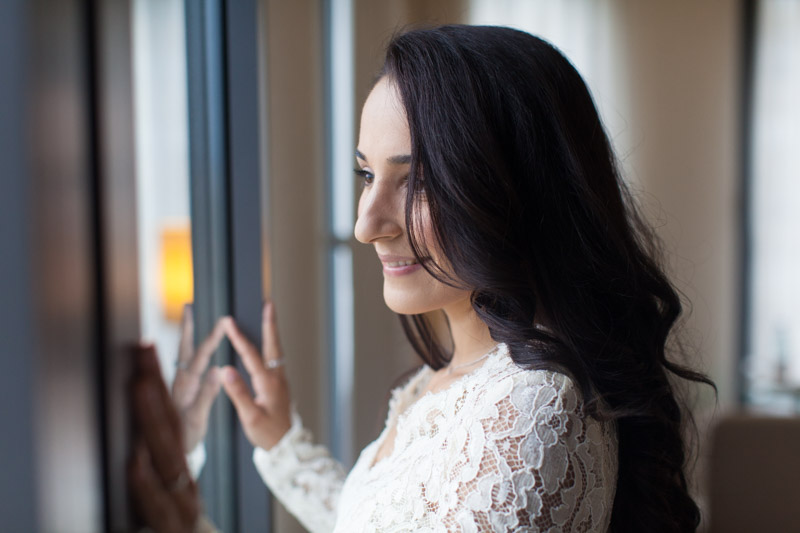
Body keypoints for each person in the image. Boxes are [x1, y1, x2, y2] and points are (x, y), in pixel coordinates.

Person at [130, 24, 714, 532]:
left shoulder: (531, 406)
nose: (366, 225)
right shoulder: (448, 384)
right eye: (366, 175)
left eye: (416, 180)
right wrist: (283, 447)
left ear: (515, 188)